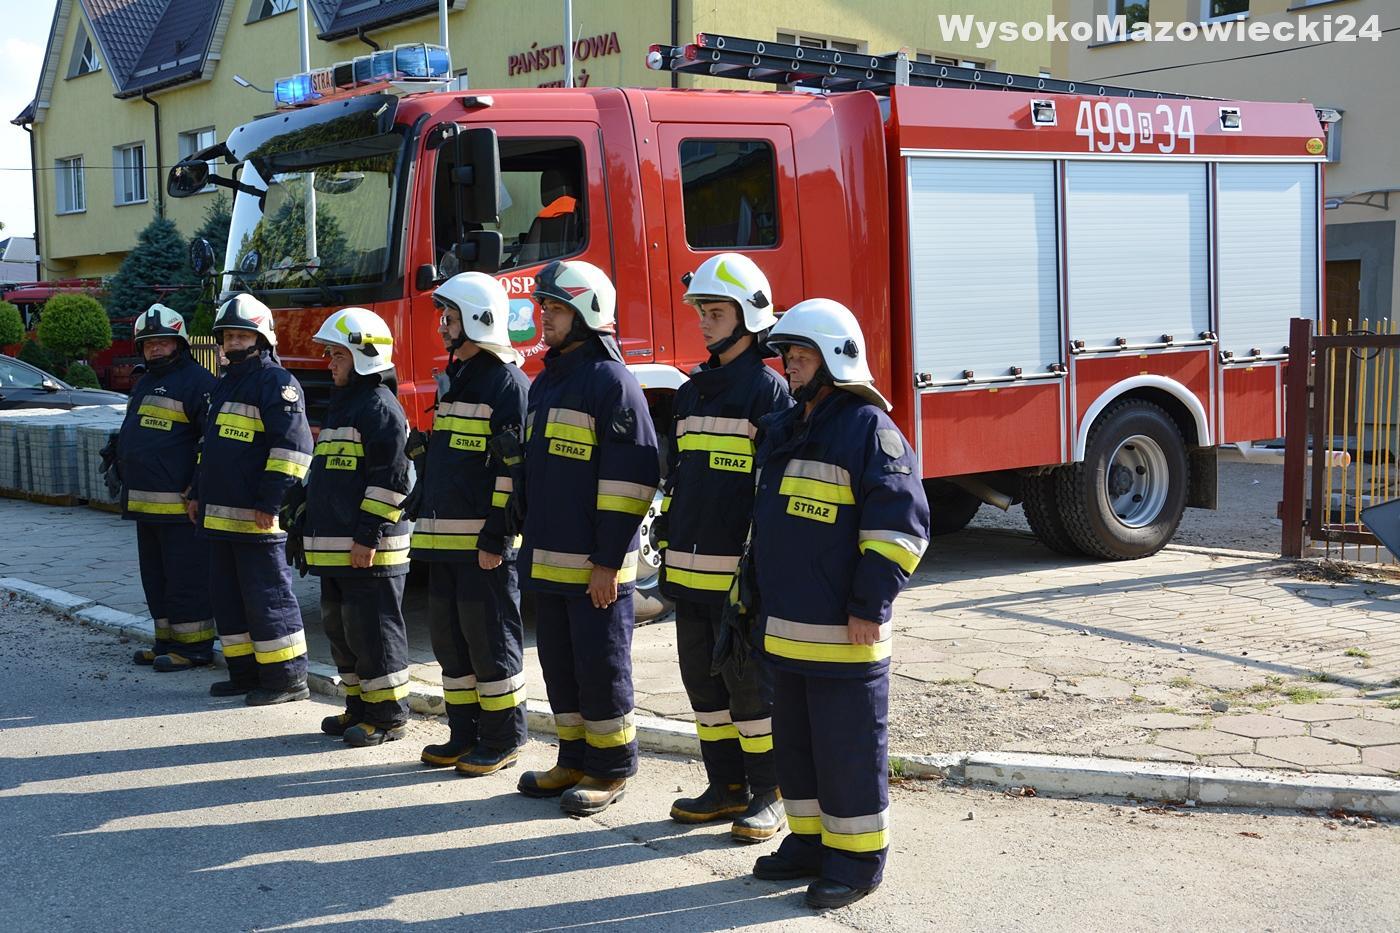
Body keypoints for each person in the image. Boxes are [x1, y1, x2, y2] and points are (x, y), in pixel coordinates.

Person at [748, 299, 930, 910]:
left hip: (844, 635)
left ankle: (855, 862)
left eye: (800, 355)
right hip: (788, 631)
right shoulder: (791, 424)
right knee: (797, 751)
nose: (789, 366)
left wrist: (869, 606)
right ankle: (809, 844)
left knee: (847, 753)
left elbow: (901, 531)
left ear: (835, 359)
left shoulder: (869, 431)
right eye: (787, 355)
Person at [515, 259, 659, 816]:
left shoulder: (611, 383)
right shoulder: (547, 381)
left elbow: (632, 482)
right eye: (544, 307)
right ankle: (572, 759)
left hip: (595, 568)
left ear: (586, 313)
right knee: (561, 668)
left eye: (555, 308)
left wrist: (607, 561)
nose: (544, 317)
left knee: (602, 671)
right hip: (549, 563)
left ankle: (610, 768)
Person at [658, 254, 793, 842]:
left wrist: (760, 568)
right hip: (689, 572)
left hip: (739, 578)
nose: (704, 322)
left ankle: (769, 793)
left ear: (749, 318)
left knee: (750, 690)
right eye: (702, 312)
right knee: (703, 686)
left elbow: (773, 491)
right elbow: (680, 479)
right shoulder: (692, 392)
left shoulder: (769, 392)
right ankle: (725, 787)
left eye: (716, 312)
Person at [406, 273, 530, 774]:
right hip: (443, 544)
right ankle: (463, 734)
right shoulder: (458, 377)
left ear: (479, 319)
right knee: (451, 644)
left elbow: (511, 473)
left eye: (451, 317)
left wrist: (497, 535)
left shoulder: (507, 384)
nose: (442, 326)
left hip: (482, 547)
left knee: (491, 642)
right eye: (443, 316)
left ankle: (503, 739)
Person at [278, 307, 414, 746]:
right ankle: (359, 707)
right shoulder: (345, 406)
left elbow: (391, 481)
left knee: (374, 634)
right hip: (340, 549)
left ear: (364, 356)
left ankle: (388, 716)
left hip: (369, 551)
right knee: (344, 631)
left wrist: (367, 537)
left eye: (337, 355)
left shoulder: (380, 409)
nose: (329, 364)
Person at [188, 294, 313, 706]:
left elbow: (292, 449)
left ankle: (286, 679)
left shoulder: (277, 384)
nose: (234, 343)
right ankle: (244, 673)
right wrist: (197, 493)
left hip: (258, 518)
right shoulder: (226, 382)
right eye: (229, 336)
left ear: (261, 339)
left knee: (268, 599)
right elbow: (210, 448)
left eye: (242, 336)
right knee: (229, 600)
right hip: (220, 518)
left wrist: (271, 503)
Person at [106, 303, 217, 671]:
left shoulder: (199, 383)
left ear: (179, 343)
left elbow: (210, 444)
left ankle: (195, 648)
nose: (155, 348)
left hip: (180, 507)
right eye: (148, 343)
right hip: (146, 505)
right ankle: (166, 642)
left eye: (162, 342)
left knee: (186, 579)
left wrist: (197, 489)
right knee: (156, 579)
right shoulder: (146, 381)